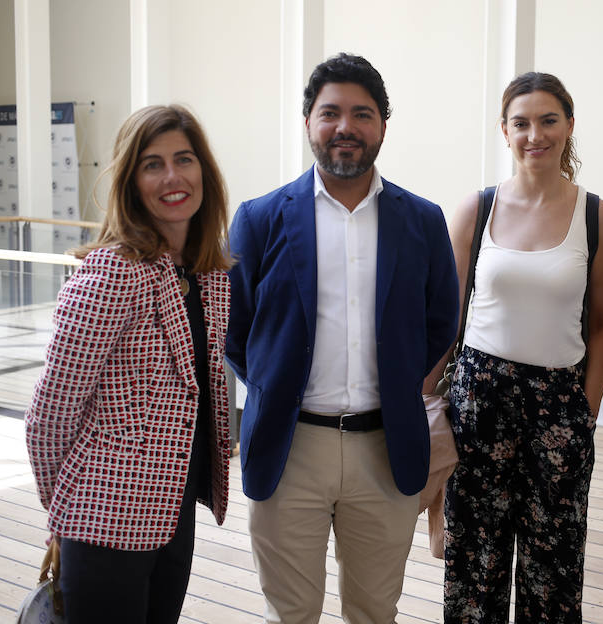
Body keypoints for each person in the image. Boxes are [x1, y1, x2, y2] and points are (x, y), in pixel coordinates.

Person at [225, 53, 458, 624]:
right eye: (330, 113)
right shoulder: (258, 219)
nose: (345, 128)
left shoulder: (423, 222)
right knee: (292, 612)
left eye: (362, 113)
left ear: (382, 125)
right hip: (289, 447)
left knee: (375, 610)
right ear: (308, 121)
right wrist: (278, 385)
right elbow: (235, 330)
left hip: (387, 447)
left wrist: (401, 384)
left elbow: (440, 322)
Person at [25, 104, 233, 624]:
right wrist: (69, 514)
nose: (172, 177)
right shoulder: (114, 274)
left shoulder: (204, 274)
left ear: (203, 171)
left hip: (172, 511)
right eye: (152, 164)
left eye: (184, 159)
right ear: (131, 181)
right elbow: (48, 418)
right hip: (103, 522)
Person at [436, 72, 603, 623]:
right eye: (521, 123)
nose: (534, 134)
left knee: (554, 562)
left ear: (568, 125)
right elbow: (447, 317)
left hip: (558, 404)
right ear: (504, 130)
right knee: (475, 558)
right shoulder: (477, 208)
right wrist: (427, 399)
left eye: (547, 120)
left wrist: (584, 411)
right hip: (479, 399)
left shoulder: (595, 215)